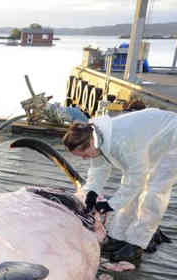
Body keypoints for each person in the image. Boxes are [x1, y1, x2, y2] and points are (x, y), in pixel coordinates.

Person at [63, 108, 175, 262]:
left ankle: (136, 244)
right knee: (130, 188)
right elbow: (99, 167)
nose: (84, 158)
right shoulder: (95, 138)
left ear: (91, 143)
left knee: (153, 192)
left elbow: (136, 179)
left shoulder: (122, 142)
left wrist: (110, 205)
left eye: (85, 155)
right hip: (150, 139)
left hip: (172, 139)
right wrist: (91, 192)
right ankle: (118, 237)